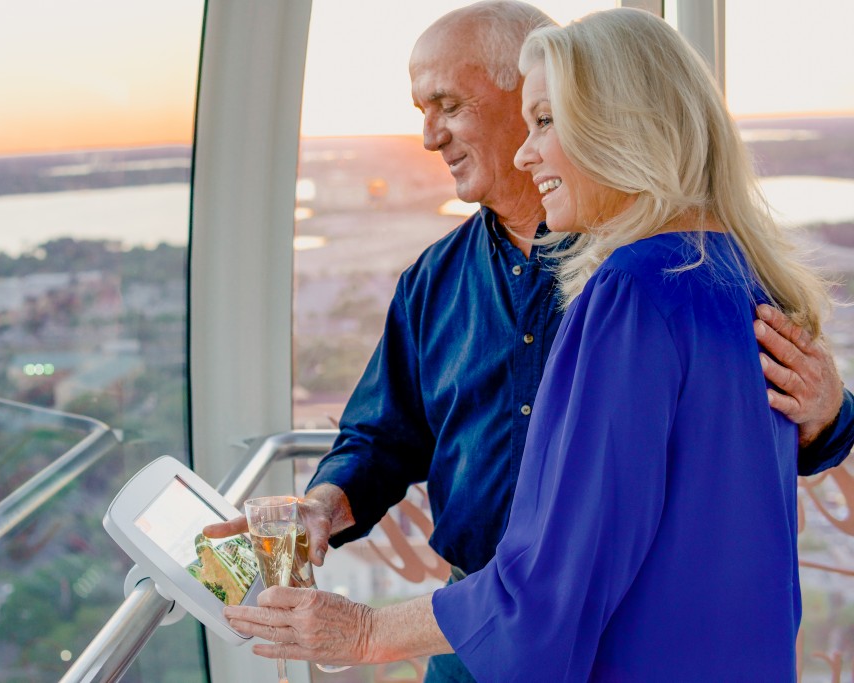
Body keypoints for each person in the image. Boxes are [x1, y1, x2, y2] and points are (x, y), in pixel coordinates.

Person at [205, 2, 854, 680]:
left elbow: (553, 579)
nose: (431, 137)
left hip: (570, 637)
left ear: (597, 114)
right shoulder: (730, 268)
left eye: (448, 104)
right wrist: (323, 503)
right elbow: (382, 436)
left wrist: (366, 631)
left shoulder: (625, 284)